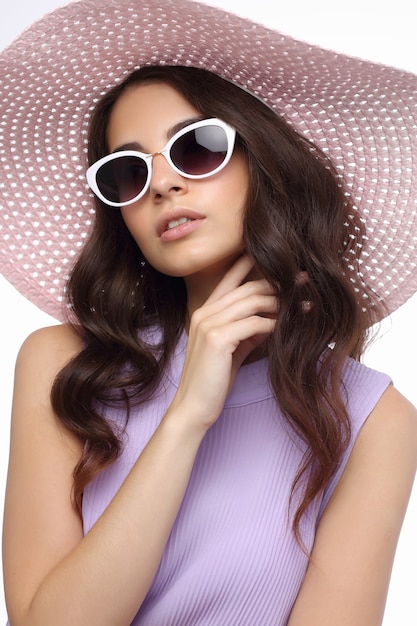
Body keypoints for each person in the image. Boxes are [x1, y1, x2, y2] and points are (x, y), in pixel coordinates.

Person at [1, 1, 417, 625]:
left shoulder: (373, 419)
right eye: (128, 172)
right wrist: (188, 413)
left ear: (266, 162)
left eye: (197, 148)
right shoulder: (65, 365)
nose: (163, 184)